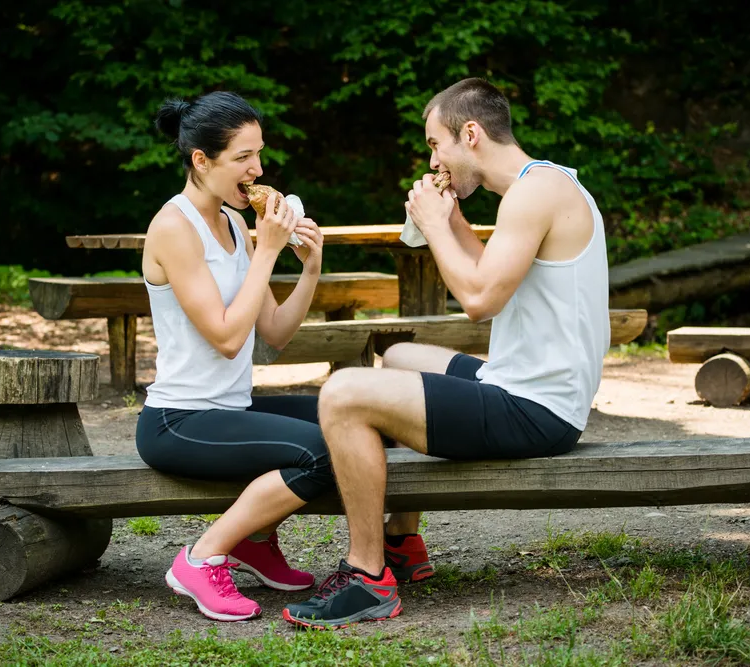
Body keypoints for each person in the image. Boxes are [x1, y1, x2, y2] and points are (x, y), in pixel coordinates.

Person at [282, 78, 611, 628]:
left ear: (471, 134)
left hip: (536, 410)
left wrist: (435, 227)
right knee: (402, 358)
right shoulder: (542, 185)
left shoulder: (535, 193)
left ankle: (367, 577)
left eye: (436, 144)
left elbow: (480, 300)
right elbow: (497, 275)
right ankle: (402, 541)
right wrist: (454, 223)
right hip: (525, 385)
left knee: (343, 392)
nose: (432, 157)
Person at [135, 91, 333, 622]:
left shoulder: (232, 225)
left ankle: (256, 541)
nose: (257, 169)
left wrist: (309, 267)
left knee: (352, 416)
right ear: (201, 160)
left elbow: (274, 331)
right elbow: (226, 337)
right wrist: (267, 249)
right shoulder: (174, 227)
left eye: (259, 155)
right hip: (179, 420)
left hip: (232, 408)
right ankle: (201, 558)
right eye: (243, 157)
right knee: (324, 453)